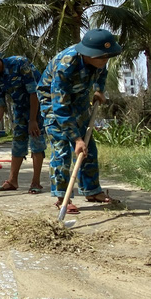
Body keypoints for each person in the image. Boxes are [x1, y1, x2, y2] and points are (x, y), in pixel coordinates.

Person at [39, 30, 121, 213]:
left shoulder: (100, 60)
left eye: (108, 56)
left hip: (80, 97)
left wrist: (99, 90)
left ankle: (92, 191)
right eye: (102, 56)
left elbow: (102, 72)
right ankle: (62, 197)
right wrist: (76, 139)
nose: (105, 60)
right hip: (52, 102)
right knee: (61, 149)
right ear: (88, 53)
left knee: (88, 147)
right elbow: (60, 106)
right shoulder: (66, 67)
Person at [0, 48, 45, 193]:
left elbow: (34, 93)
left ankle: (36, 182)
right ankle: (12, 181)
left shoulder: (19, 63)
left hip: (38, 106)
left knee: (36, 141)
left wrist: (33, 120)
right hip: (19, 108)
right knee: (18, 143)